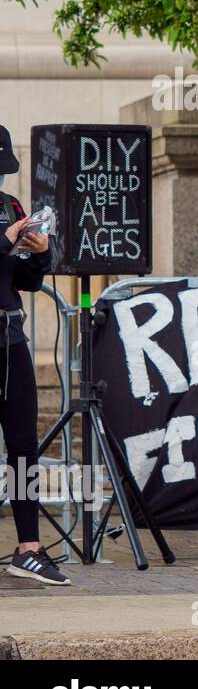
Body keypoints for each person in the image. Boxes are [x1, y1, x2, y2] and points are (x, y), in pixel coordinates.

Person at [0, 126, 65, 585]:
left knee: (23, 445)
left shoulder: (9, 208)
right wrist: (5, 241)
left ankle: (29, 547)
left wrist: (39, 254)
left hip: (8, 339)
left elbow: (23, 279)